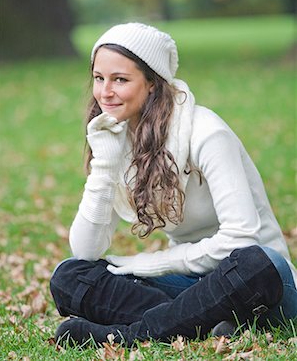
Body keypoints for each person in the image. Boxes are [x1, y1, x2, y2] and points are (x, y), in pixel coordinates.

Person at [50, 23, 297, 347]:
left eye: (120, 79)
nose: (104, 92)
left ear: (152, 83)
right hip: (193, 286)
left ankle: (130, 335)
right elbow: (86, 250)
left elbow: (241, 237)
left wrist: (149, 263)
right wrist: (105, 165)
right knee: (70, 276)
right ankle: (199, 324)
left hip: (259, 286)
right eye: (99, 78)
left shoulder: (206, 132)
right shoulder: (116, 137)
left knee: (258, 261)